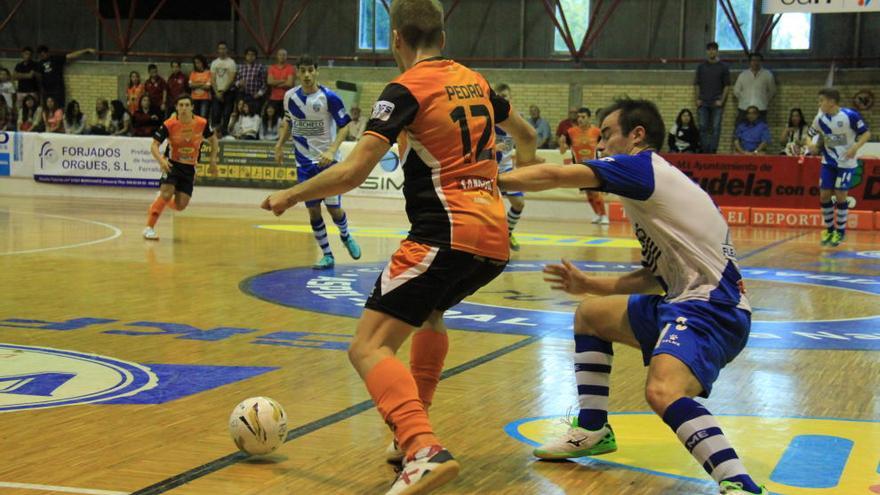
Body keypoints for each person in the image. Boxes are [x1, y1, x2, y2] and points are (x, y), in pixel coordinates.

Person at [262, 1, 537, 493]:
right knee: (429, 314)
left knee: (367, 346)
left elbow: (353, 171)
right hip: (493, 239)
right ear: (443, 39)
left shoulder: (405, 89)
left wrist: (290, 194)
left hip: (444, 233)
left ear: (396, 39)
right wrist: (503, 181)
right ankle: (408, 436)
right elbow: (529, 134)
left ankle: (422, 447)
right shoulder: (475, 81)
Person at [498, 97, 768, 495]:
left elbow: (556, 174)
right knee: (590, 314)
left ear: (637, 136)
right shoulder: (650, 187)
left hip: (713, 310)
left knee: (663, 391)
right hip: (683, 300)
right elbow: (654, 278)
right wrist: (590, 285)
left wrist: (489, 179)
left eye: (607, 136)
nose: (600, 145)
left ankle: (739, 482)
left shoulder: (641, 167)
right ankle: (592, 429)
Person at [273, 53, 361, 270]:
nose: (306, 75)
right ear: (297, 72)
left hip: (328, 164)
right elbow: (288, 122)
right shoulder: (289, 97)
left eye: (310, 70)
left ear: (316, 71)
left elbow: (345, 126)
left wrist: (332, 150)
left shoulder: (329, 97)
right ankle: (328, 255)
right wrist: (279, 144)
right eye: (302, 71)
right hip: (304, 164)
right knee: (313, 211)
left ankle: (345, 235)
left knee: (334, 210)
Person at [144, 94, 219, 241]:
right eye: (181, 105)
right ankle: (149, 228)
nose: (184, 108)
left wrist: (212, 161)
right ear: (176, 108)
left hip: (189, 168)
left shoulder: (202, 123)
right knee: (167, 193)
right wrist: (161, 161)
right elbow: (154, 145)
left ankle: (160, 201)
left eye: (186, 105)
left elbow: (213, 140)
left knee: (180, 206)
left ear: (192, 107)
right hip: (172, 163)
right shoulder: (169, 124)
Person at [808, 88, 871, 248]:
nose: (819, 104)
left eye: (821, 100)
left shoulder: (850, 115)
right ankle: (829, 229)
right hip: (828, 162)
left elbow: (866, 134)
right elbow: (809, 134)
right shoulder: (819, 118)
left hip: (846, 163)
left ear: (831, 102)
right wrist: (811, 145)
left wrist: (855, 147)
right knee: (824, 195)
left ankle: (840, 232)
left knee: (841, 195)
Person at [561, 107, 607, 224]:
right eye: (578, 117)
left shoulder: (597, 132)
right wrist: (562, 143)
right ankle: (597, 214)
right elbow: (563, 149)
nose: (580, 119)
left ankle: (604, 215)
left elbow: (604, 147)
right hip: (579, 167)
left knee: (595, 191)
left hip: (594, 166)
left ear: (589, 118)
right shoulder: (571, 132)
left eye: (583, 117)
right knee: (588, 192)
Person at [494, 83, 526, 251]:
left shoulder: (517, 118)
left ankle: (507, 233)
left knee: (519, 203)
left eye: (505, 97)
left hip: (506, 167)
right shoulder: (487, 117)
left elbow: (524, 139)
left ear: (510, 99)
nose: (501, 100)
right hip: (488, 168)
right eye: (498, 97)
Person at [693, 41, 730, 153]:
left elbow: (727, 86)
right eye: (709, 50)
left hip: (716, 102)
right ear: (707, 51)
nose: (711, 52)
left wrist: (722, 101)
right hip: (703, 102)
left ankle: (713, 151)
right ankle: (705, 151)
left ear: (717, 51)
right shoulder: (701, 67)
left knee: (715, 128)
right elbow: (696, 84)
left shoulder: (723, 67)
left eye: (714, 49)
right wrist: (697, 99)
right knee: (703, 127)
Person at [733, 53, 775, 123]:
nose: (755, 62)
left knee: (760, 131)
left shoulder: (768, 75)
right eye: (753, 60)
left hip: (761, 108)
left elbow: (772, 91)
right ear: (749, 62)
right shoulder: (743, 75)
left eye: (758, 60)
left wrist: (764, 99)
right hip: (744, 108)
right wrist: (743, 99)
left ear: (761, 62)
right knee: (741, 131)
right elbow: (736, 91)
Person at [210, 41, 237, 134]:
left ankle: (224, 132)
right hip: (216, 91)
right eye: (220, 48)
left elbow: (231, 79)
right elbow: (213, 79)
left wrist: (223, 92)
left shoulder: (231, 63)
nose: (222, 50)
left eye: (224, 48)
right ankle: (215, 132)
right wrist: (217, 92)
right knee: (216, 113)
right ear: (217, 50)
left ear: (227, 50)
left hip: (228, 92)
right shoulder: (214, 63)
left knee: (227, 114)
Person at [234, 47, 267, 111]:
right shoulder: (241, 67)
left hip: (255, 96)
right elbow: (235, 81)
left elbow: (264, 84)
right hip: (243, 96)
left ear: (255, 56)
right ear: (245, 56)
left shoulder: (260, 67)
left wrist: (259, 94)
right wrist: (239, 83)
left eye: (252, 55)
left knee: (254, 116)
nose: (250, 56)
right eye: (248, 54)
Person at [267, 48, 295, 113]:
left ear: (286, 56)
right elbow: (269, 82)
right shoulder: (272, 68)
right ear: (277, 56)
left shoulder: (290, 68)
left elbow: (289, 84)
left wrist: (275, 84)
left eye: (284, 55)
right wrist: (283, 80)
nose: (282, 57)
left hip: (286, 98)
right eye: (280, 55)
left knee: (285, 120)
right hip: (273, 98)